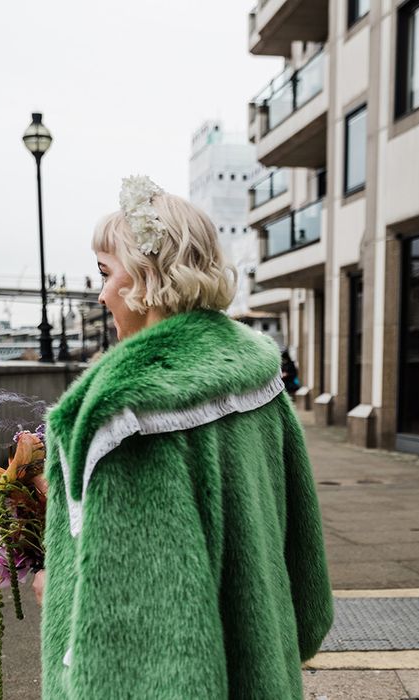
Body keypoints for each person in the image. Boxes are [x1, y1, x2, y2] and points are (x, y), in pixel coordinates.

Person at [32, 176, 332, 699]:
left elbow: (150, 639)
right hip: (263, 664)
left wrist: (59, 588)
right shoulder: (254, 368)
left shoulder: (127, 415)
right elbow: (302, 542)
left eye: (105, 273)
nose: (101, 293)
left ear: (146, 279)